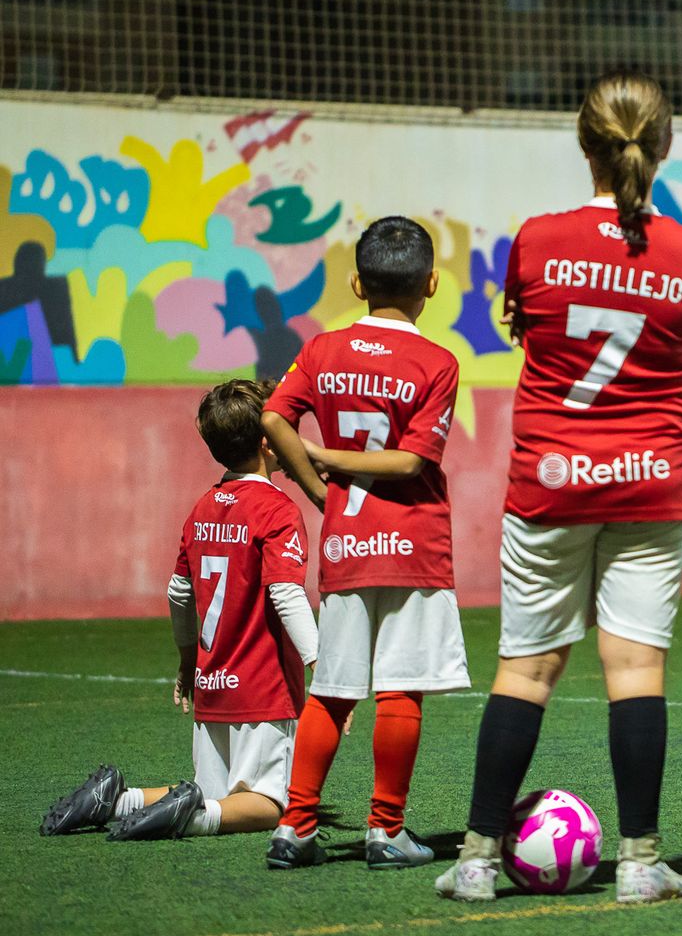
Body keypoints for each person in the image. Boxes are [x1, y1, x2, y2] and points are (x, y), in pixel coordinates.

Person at [435, 71, 682, 905]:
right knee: (635, 668)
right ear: (660, 148)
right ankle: (639, 865)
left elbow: (518, 321)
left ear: (584, 144)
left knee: (525, 672)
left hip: (552, 479)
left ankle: (479, 862)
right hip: (654, 483)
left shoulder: (535, 238)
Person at [263, 216, 469, 870]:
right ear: (431, 284)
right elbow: (412, 463)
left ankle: (294, 827)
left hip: (346, 542)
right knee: (401, 687)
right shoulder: (437, 362)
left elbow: (272, 415)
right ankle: (386, 830)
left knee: (335, 688)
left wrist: (318, 486)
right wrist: (328, 458)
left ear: (355, 281)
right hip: (413, 544)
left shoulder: (321, 351)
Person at [40, 379, 316, 841]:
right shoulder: (277, 510)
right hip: (262, 690)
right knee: (272, 803)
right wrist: (321, 665)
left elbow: (179, 592)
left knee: (214, 789)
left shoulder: (202, 508)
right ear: (269, 442)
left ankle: (119, 800)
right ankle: (190, 821)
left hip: (212, 685)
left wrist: (189, 660)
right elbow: (286, 594)